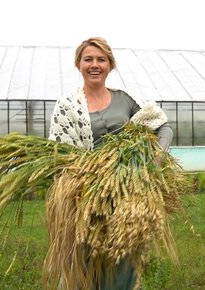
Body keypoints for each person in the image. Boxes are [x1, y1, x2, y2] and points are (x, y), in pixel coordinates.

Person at [48, 37, 173, 290]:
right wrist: (77, 186)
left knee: (121, 261)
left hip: (127, 196)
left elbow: (164, 127)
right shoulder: (67, 106)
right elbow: (57, 156)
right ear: (78, 65)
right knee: (82, 263)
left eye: (101, 59)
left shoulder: (125, 99)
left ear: (110, 65)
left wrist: (154, 160)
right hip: (84, 198)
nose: (95, 65)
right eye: (88, 59)